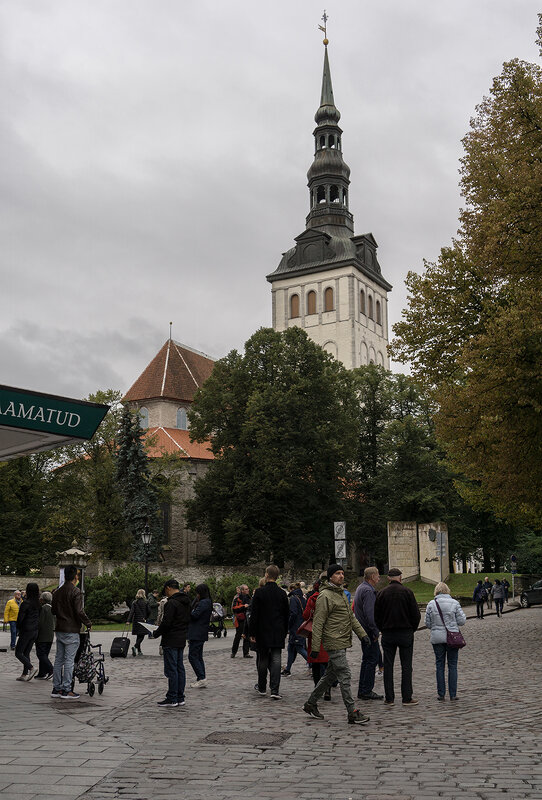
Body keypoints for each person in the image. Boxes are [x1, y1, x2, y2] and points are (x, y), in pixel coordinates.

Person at [303, 564, 370, 725]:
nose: (341, 576)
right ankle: (352, 712)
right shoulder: (325, 596)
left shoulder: (340, 594)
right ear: (330, 577)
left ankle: (310, 704)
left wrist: (363, 634)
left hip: (342, 640)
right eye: (338, 573)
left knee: (330, 675)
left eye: (342, 573)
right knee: (345, 674)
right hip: (333, 641)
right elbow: (318, 623)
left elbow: (351, 618)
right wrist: (315, 648)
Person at [374, 567, 421, 707]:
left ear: (388, 578)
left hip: (388, 633)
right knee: (406, 666)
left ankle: (389, 698)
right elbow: (416, 615)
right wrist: (412, 629)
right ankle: (407, 697)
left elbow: (376, 616)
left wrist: (382, 628)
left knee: (388, 666)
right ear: (400, 577)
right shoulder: (407, 592)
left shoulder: (381, 593)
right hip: (405, 632)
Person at [248, 564, 289, 700]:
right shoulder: (282, 593)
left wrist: (252, 632)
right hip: (277, 630)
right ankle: (275, 689)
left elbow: (254, 615)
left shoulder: (259, 592)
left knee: (263, 659)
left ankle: (261, 686)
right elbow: (286, 614)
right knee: (276, 660)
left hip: (262, 630)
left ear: (266, 575)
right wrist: (285, 631)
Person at [51, 565, 91, 699]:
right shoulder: (76, 592)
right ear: (75, 576)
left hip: (60, 628)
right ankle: (66, 689)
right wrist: (88, 623)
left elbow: (53, 611)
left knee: (58, 659)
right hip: (72, 629)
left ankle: (56, 688)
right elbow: (79, 611)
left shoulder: (57, 592)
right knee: (69, 660)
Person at [425, 582, 467, 701]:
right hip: (452, 638)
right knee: (452, 665)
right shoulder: (454, 603)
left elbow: (427, 623)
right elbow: (462, 621)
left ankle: (441, 693)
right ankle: (453, 694)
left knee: (439, 665)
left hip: (437, 638)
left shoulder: (431, 604)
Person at [153, 579, 191, 707]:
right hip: (181, 637)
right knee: (180, 668)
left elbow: (166, 623)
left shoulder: (172, 603)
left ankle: (172, 697)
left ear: (168, 588)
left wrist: (156, 633)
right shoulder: (186, 601)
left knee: (172, 669)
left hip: (171, 639)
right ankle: (180, 696)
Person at [353, 566, 383, 701]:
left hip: (363, 630)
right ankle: (366, 690)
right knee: (371, 660)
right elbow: (370, 614)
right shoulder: (368, 591)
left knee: (367, 660)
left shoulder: (361, 588)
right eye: (377, 576)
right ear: (372, 577)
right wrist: (375, 631)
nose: (379, 578)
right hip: (369, 631)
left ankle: (363, 689)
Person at [302, 574, 331, 702]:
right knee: (327, 662)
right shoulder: (330, 597)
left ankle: (317, 687)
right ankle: (327, 689)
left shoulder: (312, 599)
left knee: (315, 663)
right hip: (328, 632)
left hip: (315, 632)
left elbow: (306, 615)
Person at [188, 583, 213, 688]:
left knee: (193, 656)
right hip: (200, 631)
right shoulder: (206, 601)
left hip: (197, 631)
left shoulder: (203, 603)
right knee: (198, 656)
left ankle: (201, 677)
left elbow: (194, 615)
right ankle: (201, 677)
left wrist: (189, 610)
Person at [14, 582, 40, 681]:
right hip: (35, 631)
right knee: (26, 652)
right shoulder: (38, 603)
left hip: (26, 630)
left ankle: (31, 668)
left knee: (18, 652)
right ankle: (24, 674)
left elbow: (20, 618)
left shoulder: (26, 603)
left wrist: (18, 628)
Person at [281, 583, 307, 676]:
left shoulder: (293, 599)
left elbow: (293, 613)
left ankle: (314, 664)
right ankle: (287, 669)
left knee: (300, 648)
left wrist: (289, 625)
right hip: (301, 625)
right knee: (291, 648)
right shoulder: (303, 598)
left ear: (291, 589)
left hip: (295, 627)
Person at [34, 591, 55, 680]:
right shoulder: (52, 608)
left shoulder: (43, 609)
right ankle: (42, 672)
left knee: (41, 654)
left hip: (42, 635)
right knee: (45, 654)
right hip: (50, 635)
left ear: (42, 599)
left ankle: (51, 670)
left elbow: (40, 622)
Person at [231, 584, 251, 659]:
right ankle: (233, 652)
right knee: (238, 636)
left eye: (248, 589)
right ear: (242, 590)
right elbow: (234, 608)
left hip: (247, 618)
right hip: (240, 619)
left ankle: (246, 653)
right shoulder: (238, 598)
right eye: (246, 589)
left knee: (247, 636)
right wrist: (243, 606)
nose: (248, 590)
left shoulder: (249, 598)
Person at [129, 589, 149, 657]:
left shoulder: (134, 602)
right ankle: (135, 646)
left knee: (138, 636)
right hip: (143, 620)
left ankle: (139, 651)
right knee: (142, 636)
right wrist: (146, 617)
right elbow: (149, 611)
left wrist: (128, 620)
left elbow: (132, 612)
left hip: (136, 621)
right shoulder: (146, 602)